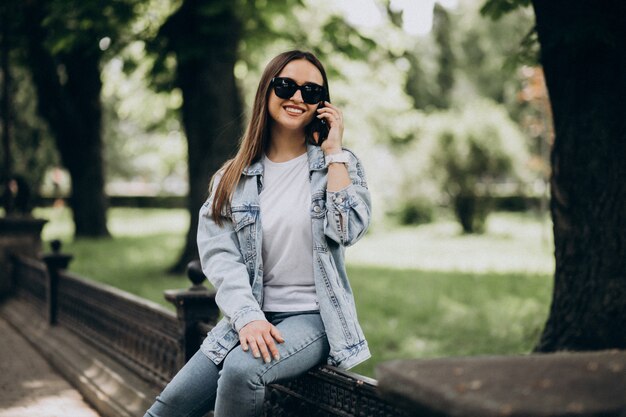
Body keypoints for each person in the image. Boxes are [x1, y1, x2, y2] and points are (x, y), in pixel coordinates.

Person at [145, 50, 372, 417]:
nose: (298, 97)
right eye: (287, 86)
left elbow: (346, 230)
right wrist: (248, 317)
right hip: (250, 315)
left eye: (311, 92)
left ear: (322, 104)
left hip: (312, 317)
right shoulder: (231, 178)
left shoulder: (339, 164)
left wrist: (333, 152)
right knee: (166, 409)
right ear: (266, 92)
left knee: (241, 371)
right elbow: (220, 257)